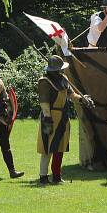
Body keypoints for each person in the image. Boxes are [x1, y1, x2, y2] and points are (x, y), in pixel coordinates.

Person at [37, 55, 84, 184]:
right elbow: (44, 102)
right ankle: (43, 176)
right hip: (50, 116)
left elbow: (70, 94)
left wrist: (81, 98)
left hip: (63, 115)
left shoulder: (63, 79)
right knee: (47, 148)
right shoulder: (45, 82)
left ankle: (57, 175)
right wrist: (47, 117)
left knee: (60, 147)